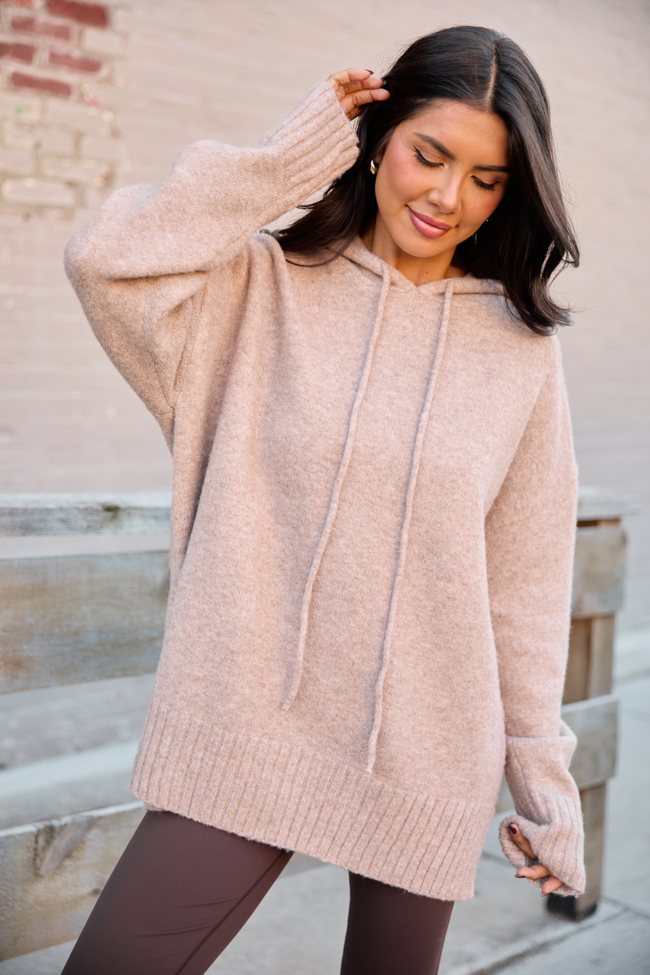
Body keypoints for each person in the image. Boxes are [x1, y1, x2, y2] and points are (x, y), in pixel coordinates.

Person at [62, 24, 585, 975]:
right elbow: (107, 258)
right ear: (378, 138)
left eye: (486, 178)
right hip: (245, 723)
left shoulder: (520, 353)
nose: (448, 197)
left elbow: (526, 587)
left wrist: (545, 789)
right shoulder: (255, 288)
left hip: (426, 756)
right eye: (430, 155)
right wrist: (285, 158)